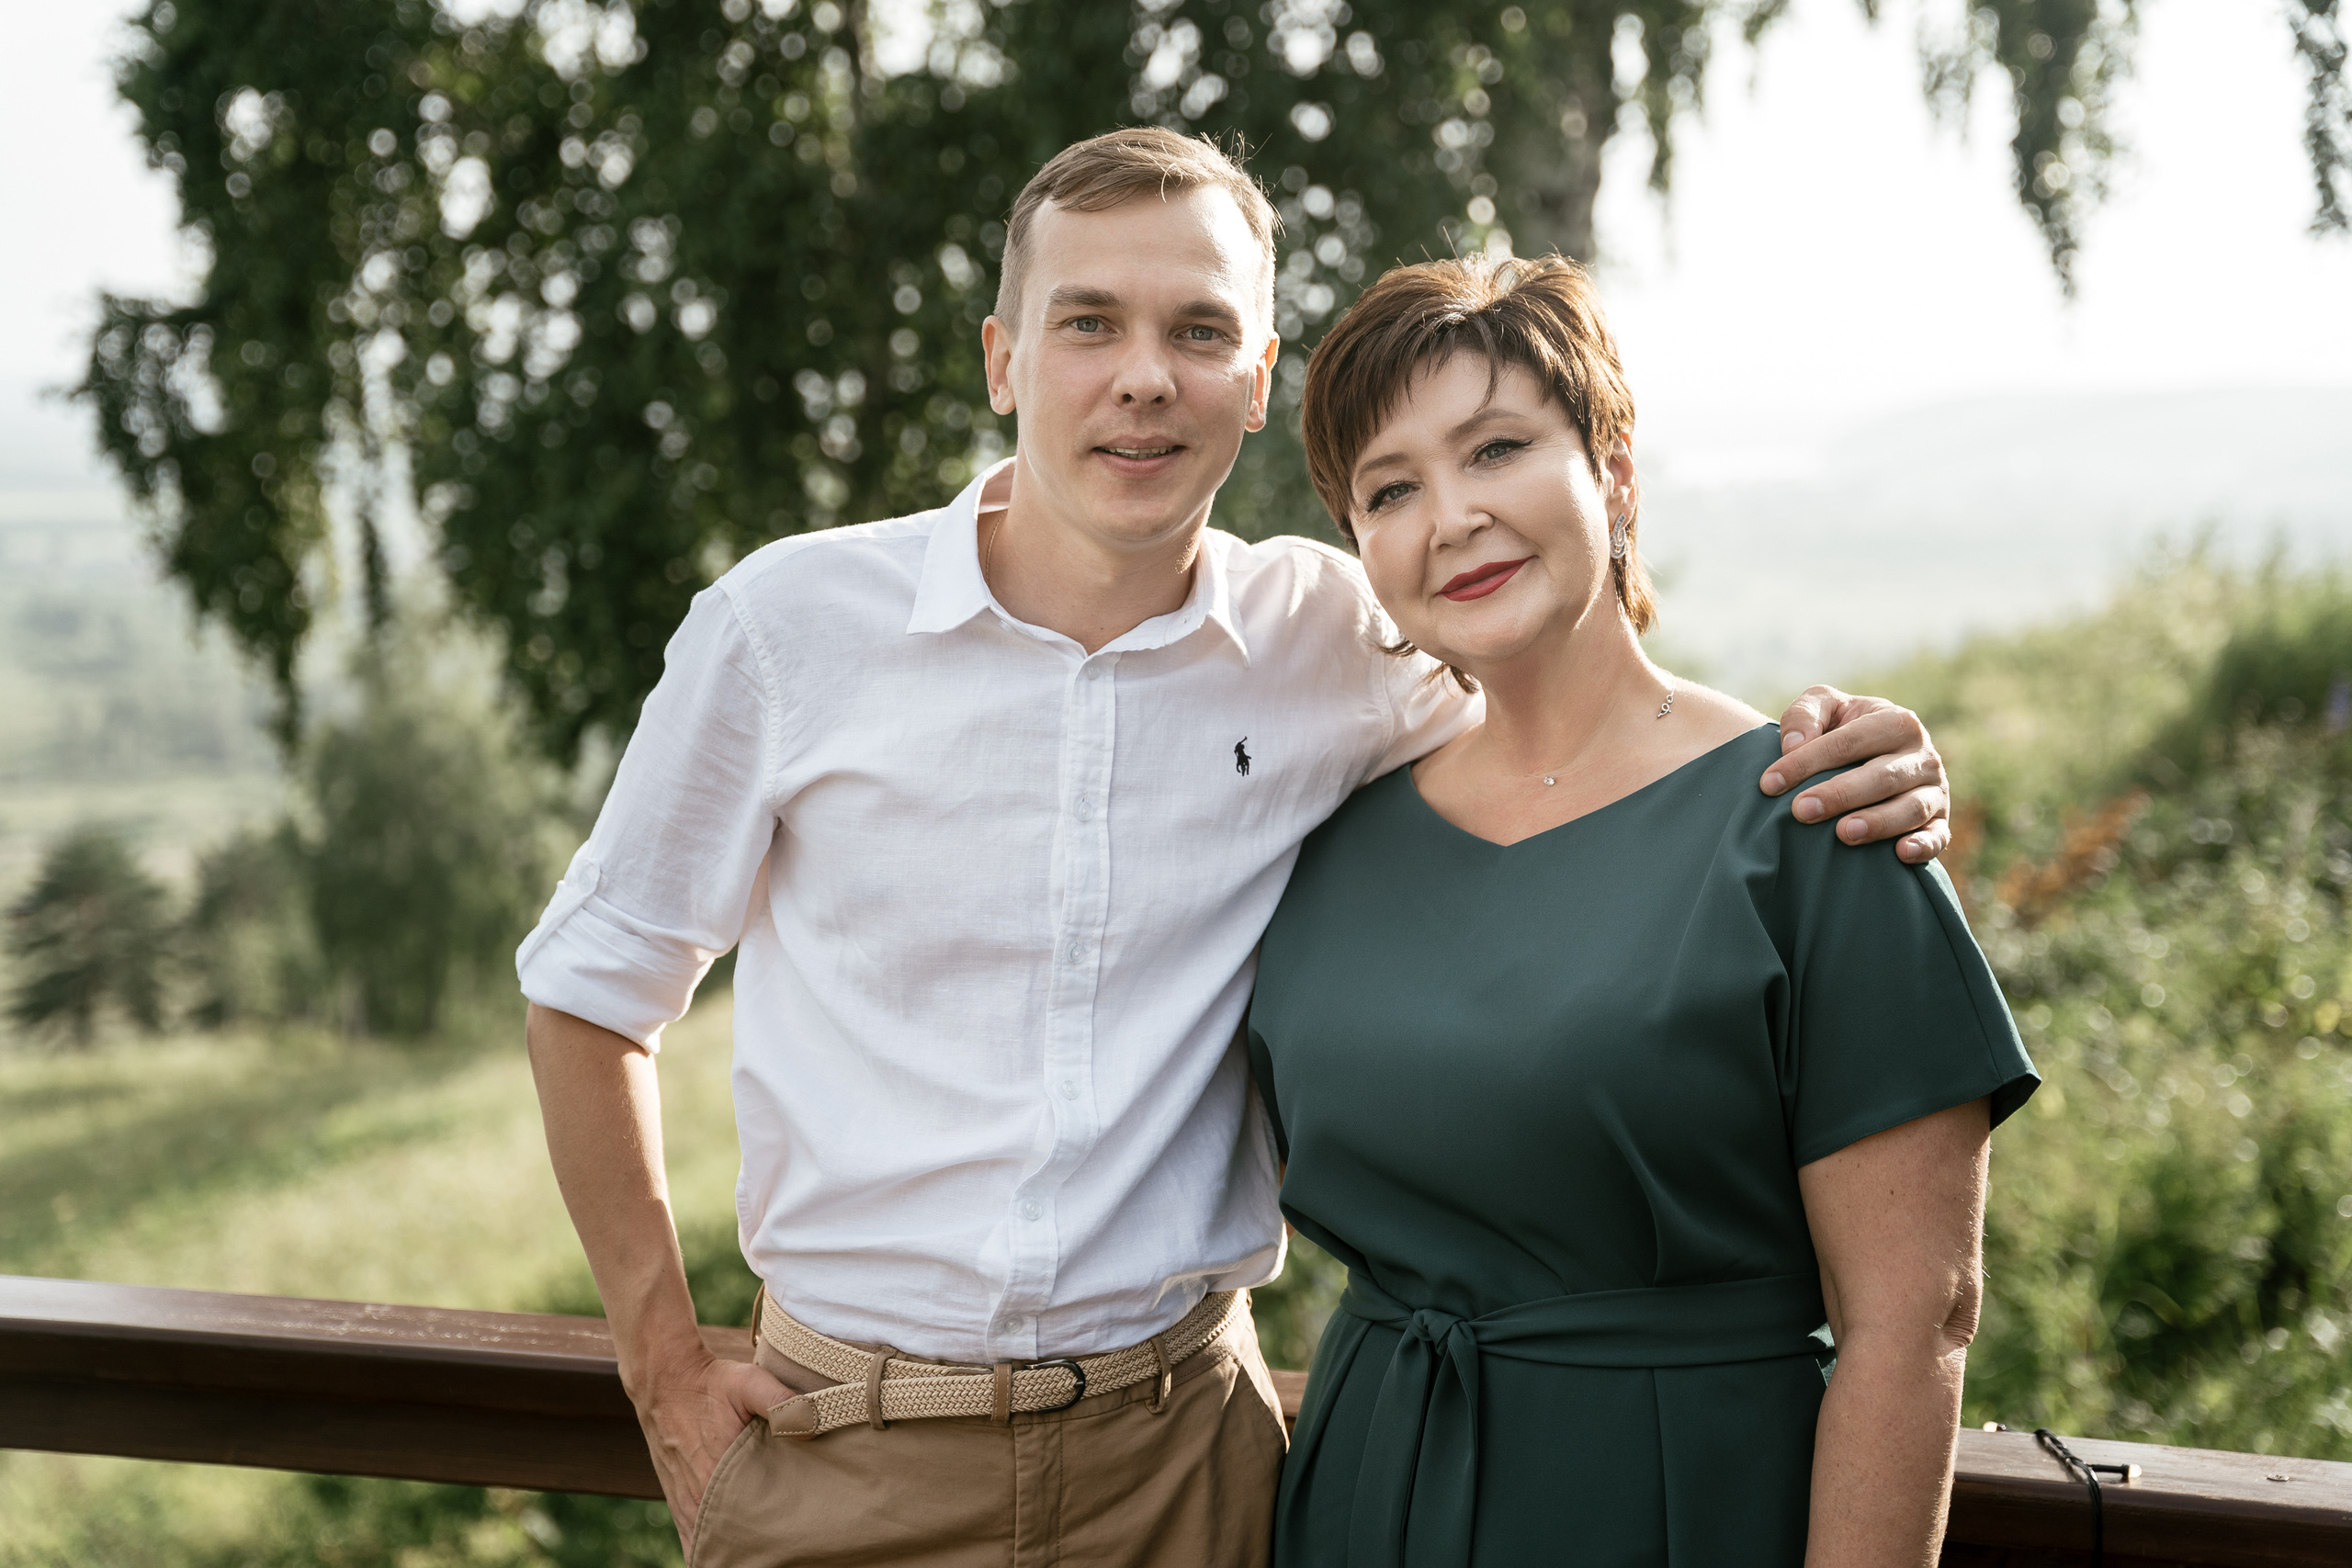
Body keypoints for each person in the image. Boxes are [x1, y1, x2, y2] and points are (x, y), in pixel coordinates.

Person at [517, 129, 1957, 1568]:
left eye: (1200, 331)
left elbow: (1575, 725)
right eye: (1089, 322)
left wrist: (1831, 750)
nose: (1145, 375)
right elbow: (590, 993)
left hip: (1192, 1471)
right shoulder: (788, 630)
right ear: (1004, 360)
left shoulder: (1336, 642)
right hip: (844, 1456)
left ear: (1257, 381)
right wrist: (662, 1369)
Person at [1245, 253, 2040, 1568]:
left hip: (1679, 1505)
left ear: (1613, 474)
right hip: (1367, 1492)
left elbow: (1915, 1326)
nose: (1451, 516)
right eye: (1391, 489)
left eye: (1497, 449)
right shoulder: (1328, 844)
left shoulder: (1817, 823)